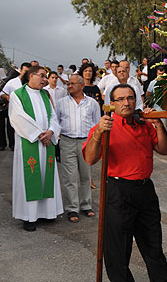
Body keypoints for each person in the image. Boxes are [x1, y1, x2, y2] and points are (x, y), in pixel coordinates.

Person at [83, 83, 167, 282]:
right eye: (121, 99)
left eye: (130, 98)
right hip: (118, 191)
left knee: (153, 245)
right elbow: (90, 158)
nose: (126, 102)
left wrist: (158, 124)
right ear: (112, 103)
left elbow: (165, 150)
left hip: (145, 190)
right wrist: (98, 133)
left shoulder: (145, 124)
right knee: (118, 250)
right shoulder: (105, 126)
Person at [8, 66, 63, 232]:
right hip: (29, 142)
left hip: (46, 144)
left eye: (46, 76)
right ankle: (29, 217)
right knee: (30, 178)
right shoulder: (17, 95)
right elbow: (18, 118)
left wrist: (51, 132)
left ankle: (47, 213)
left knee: (46, 176)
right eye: (42, 76)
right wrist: (41, 135)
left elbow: (53, 117)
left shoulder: (45, 95)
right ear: (31, 76)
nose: (45, 79)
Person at [56, 74, 100, 223]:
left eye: (73, 84)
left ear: (82, 86)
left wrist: (94, 142)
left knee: (86, 175)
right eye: (68, 84)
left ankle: (86, 205)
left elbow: (96, 124)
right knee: (69, 177)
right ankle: (72, 208)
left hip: (86, 143)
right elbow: (55, 121)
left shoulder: (92, 103)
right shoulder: (61, 103)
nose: (69, 86)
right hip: (67, 142)